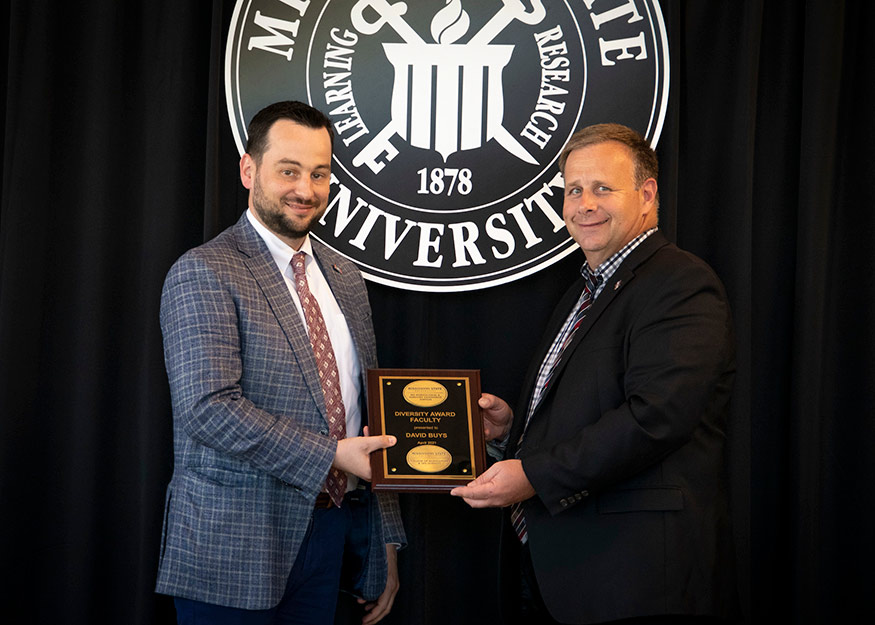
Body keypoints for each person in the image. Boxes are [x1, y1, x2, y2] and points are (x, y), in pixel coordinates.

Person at [452, 124, 738, 624]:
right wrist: (512, 430)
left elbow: (655, 418)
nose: (584, 204)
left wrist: (533, 475)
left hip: (631, 580)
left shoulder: (680, 283)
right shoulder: (584, 290)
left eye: (602, 188)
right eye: (573, 190)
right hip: (558, 569)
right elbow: (592, 404)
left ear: (646, 194)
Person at [155, 101, 405, 625]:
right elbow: (209, 409)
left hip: (333, 537)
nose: (306, 189)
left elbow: (370, 412)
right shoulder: (204, 270)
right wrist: (334, 455)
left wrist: (384, 539)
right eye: (288, 170)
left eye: (319, 173)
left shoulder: (345, 276)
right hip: (231, 548)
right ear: (249, 170)